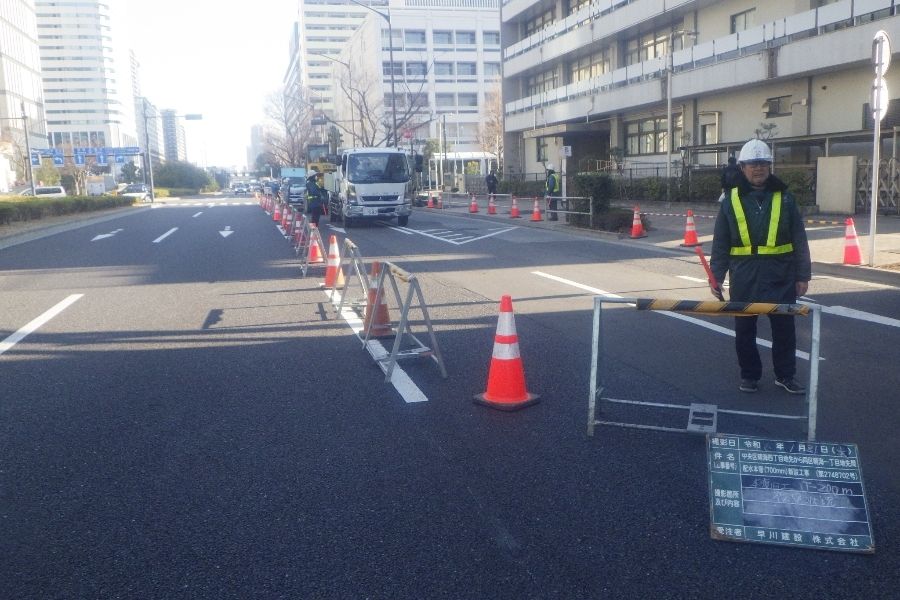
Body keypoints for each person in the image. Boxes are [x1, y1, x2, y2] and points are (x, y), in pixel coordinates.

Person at [709, 138, 811, 395]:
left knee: (784, 330)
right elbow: (721, 241)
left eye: (763, 163)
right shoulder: (730, 200)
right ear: (742, 167)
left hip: (781, 276)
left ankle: (785, 375)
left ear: (770, 166)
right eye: (753, 164)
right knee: (745, 331)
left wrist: (802, 275)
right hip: (744, 276)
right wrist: (716, 275)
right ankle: (750, 375)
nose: (758, 168)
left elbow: (799, 238)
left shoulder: (785, 198)